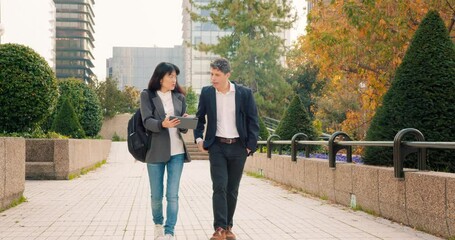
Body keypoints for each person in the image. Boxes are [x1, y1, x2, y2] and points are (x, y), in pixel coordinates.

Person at [194, 58, 259, 240]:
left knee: (232, 189)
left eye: (217, 75)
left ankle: (229, 226)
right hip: (217, 147)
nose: (213, 78)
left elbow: (253, 120)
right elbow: (200, 118)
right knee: (219, 186)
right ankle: (220, 228)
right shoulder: (207, 93)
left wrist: (249, 146)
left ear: (227, 75)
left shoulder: (243, 93)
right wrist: (199, 139)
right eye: (211, 74)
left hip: (239, 147)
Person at [140, 62, 191, 240]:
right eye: (170, 76)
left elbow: (183, 130)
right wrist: (162, 124)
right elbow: (146, 121)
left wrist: (184, 122)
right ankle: (158, 225)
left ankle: (169, 231)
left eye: (175, 77)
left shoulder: (180, 98)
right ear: (160, 77)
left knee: (172, 195)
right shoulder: (147, 95)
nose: (174, 80)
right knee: (156, 195)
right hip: (155, 151)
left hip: (177, 152)